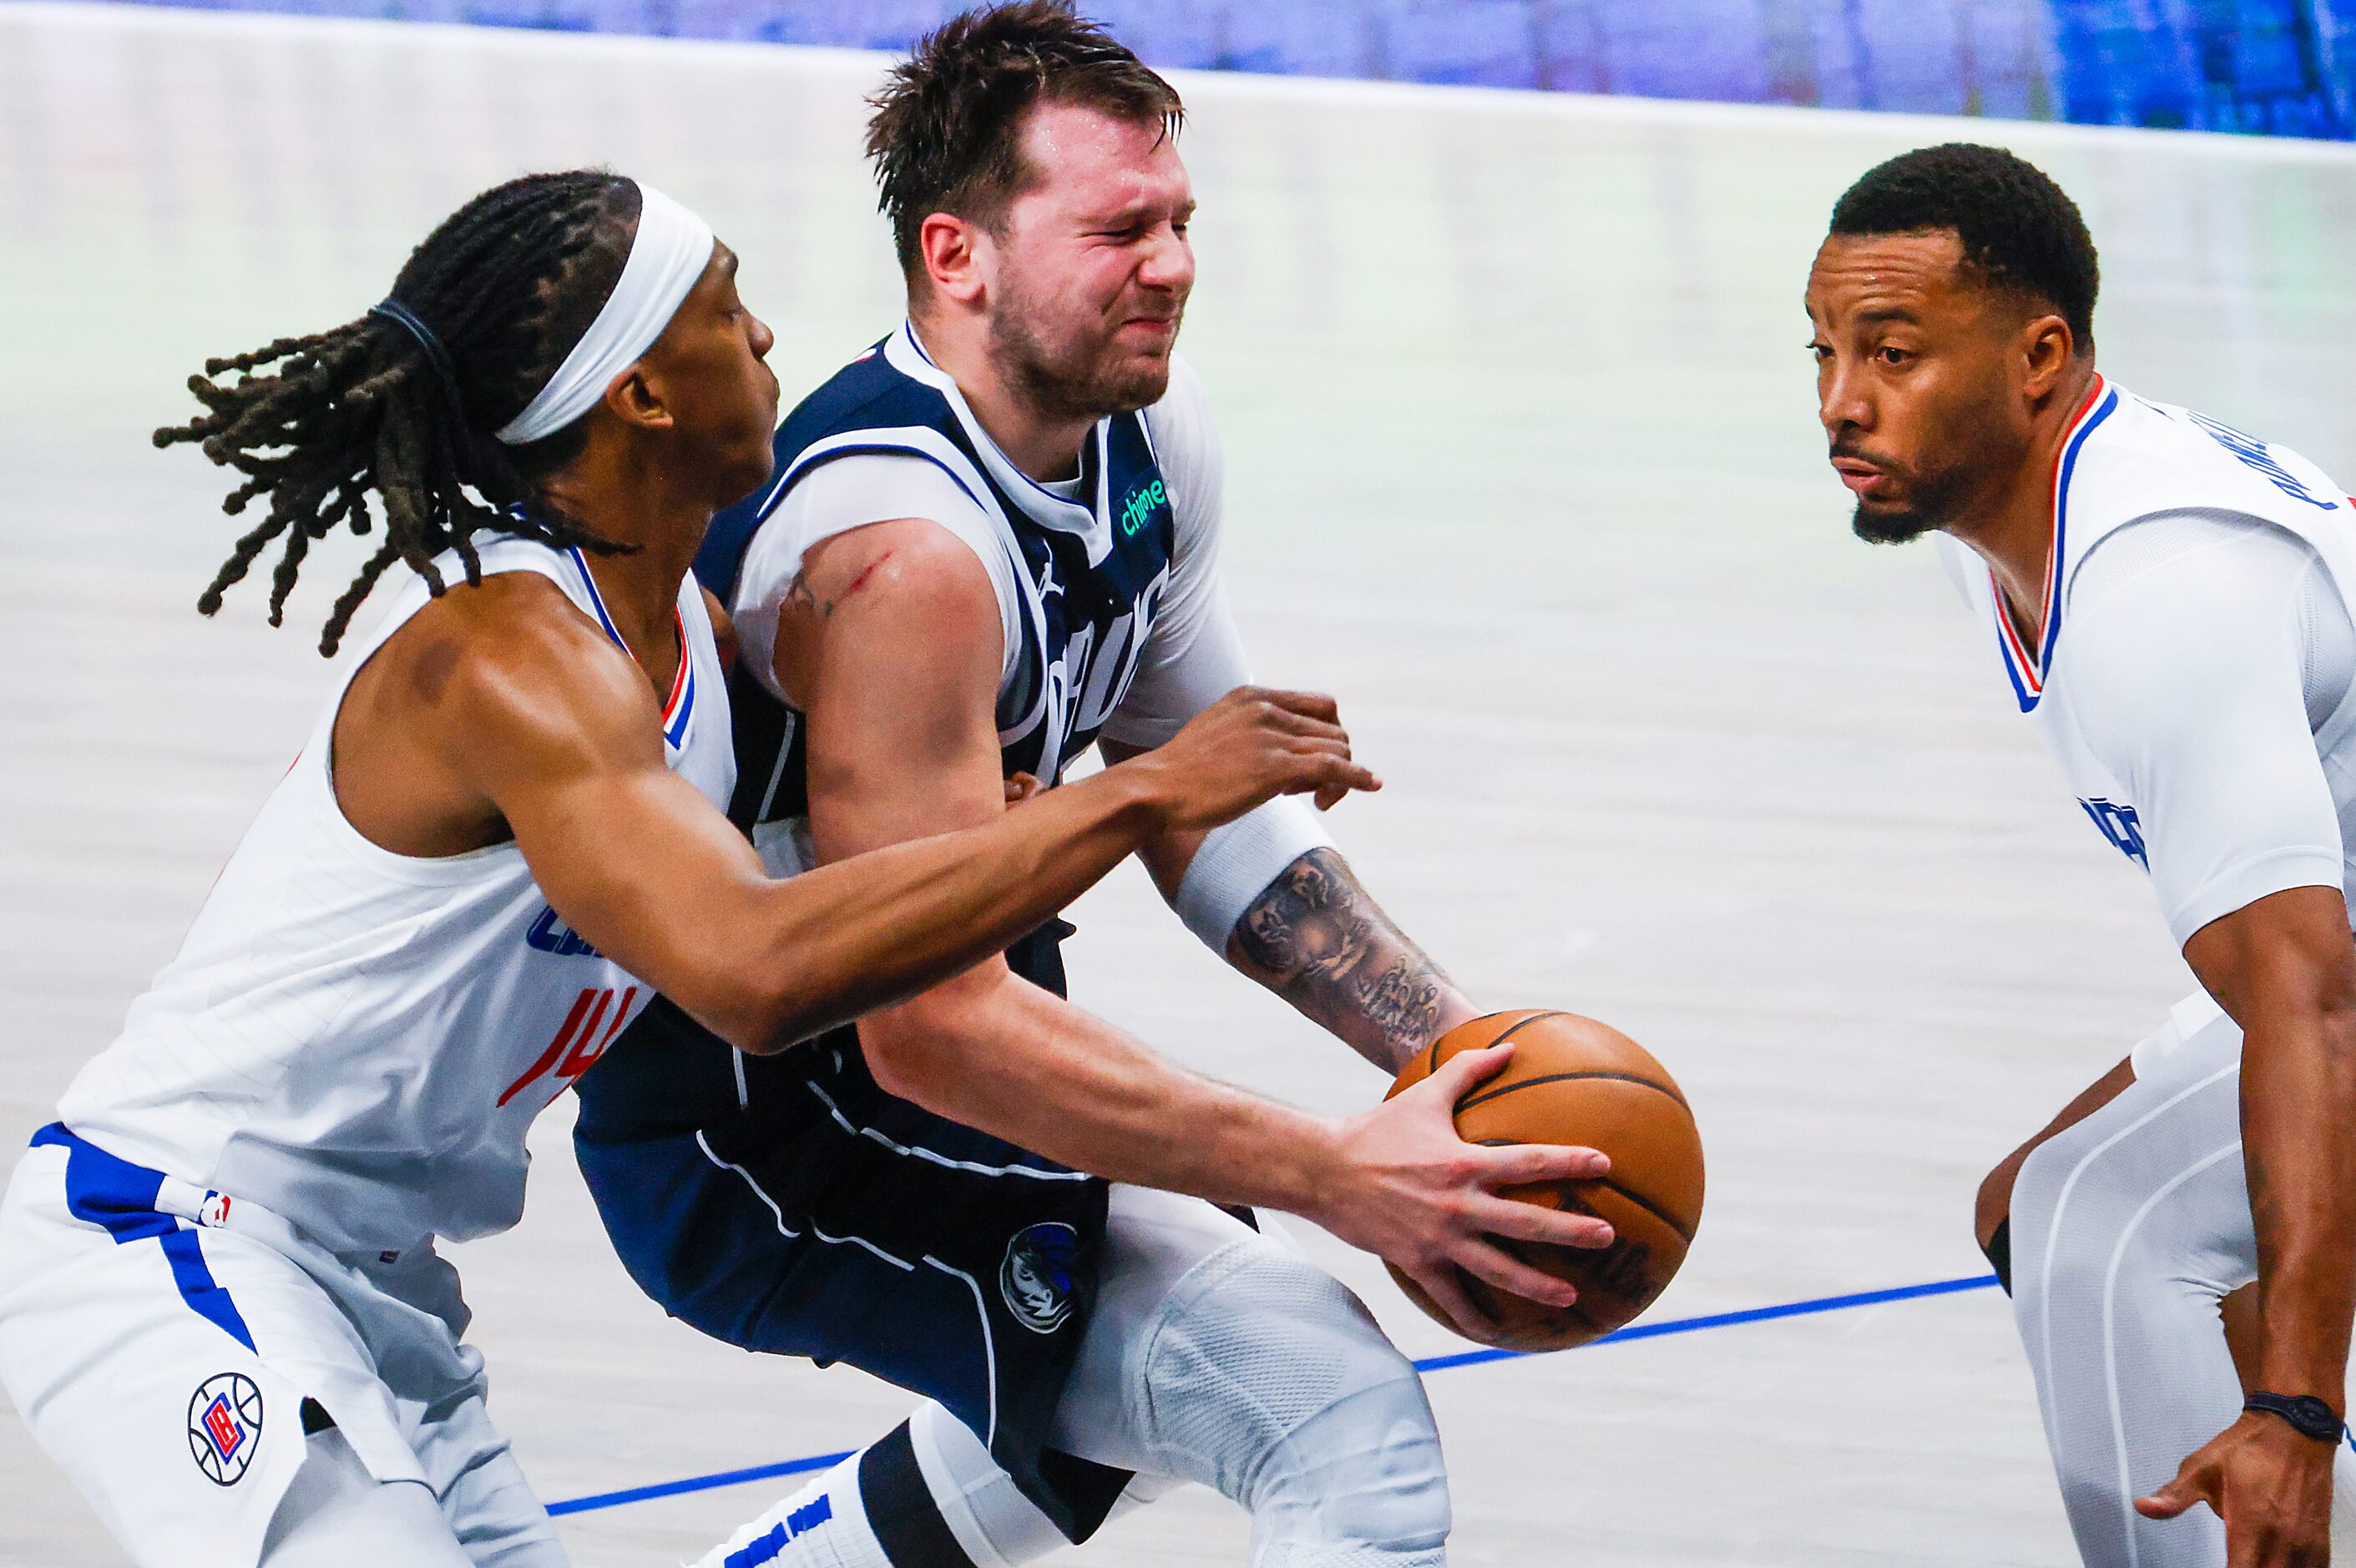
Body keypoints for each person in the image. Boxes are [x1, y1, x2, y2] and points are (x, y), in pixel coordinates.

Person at [0, 168, 1384, 1568]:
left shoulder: (693, 640)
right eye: (727, 307)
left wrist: (1008, 811)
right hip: (171, 1237)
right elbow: (754, 971)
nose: (770, 336)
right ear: (641, 397)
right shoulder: (510, 660)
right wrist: (1141, 792)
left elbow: (877, 867)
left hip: (382, 1281)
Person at [572, 8, 1617, 1568]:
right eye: (1119, 226)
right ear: (959, 255)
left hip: (923, 1035)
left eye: (1181, 219)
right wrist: (1342, 1174)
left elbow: (1202, 799)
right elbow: (926, 1031)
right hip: (766, 1119)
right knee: (1321, 1408)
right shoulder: (901, 556)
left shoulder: (1136, 436)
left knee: (1111, 1383)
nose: (1174, 263)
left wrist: (1456, 1063)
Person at [1809, 142, 2356, 1567]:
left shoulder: (2154, 590)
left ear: (2038, 354)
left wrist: (2294, 1408)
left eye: (1893, 353)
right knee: (2028, 1203)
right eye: (1823, 351)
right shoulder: (1994, 505)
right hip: (2333, 956)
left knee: (2096, 1223)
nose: (1840, 403)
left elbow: (2309, 1006)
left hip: (2334, 980)